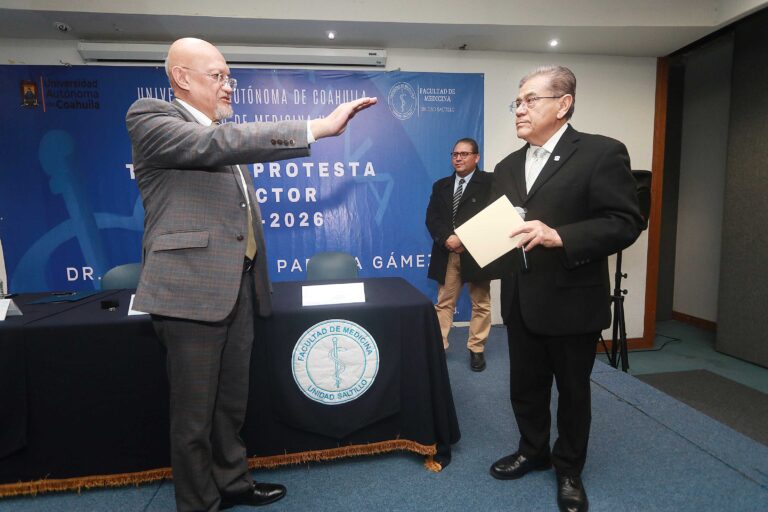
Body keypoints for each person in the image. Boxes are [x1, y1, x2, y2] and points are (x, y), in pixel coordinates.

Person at [125, 37, 376, 512]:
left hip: (237, 286)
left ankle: (233, 481)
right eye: (217, 76)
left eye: (229, 77)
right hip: (190, 293)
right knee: (194, 415)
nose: (228, 86)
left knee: (230, 403)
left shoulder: (225, 131)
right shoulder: (152, 117)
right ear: (181, 78)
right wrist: (316, 128)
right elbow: (211, 144)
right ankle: (198, 503)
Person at [487, 66, 642, 512]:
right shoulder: (507, 165)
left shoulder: (601, 153)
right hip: (520, 298)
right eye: (516, 102)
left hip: (572, 300)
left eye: (529, 100)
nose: (519, 109)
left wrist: (561, 236)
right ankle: (531, 451)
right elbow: (506, 228)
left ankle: (569, 468)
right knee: (525, 387)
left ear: (563, 104)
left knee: (573, 393)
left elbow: (625, 222)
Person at [425, 138, 493, 371]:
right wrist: (448, 239)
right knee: (444, 303)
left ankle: (476, 349)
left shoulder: (491, 182)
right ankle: (440, 348)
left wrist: (464, 238)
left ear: (477, 157)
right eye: (455, 154)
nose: (458, 158)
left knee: (481, 303)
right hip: (448, 252)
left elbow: (493, 218)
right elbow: (432, 218)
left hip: (477, 253)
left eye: (464, 154)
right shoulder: (440, 185)